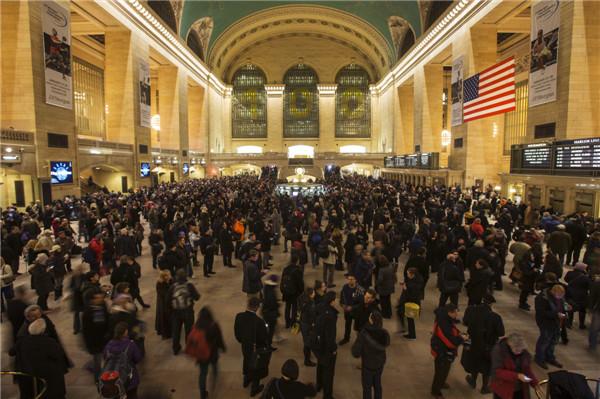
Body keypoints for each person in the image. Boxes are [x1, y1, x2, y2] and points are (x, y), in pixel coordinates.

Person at [15, 318, 69, 399]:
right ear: (43, 330)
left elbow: (11, 351)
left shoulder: (24, 341)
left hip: (33, 374)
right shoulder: (48, 342)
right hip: (49, 375)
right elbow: (59, 353)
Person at [463, 294, 505, 394]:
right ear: (491, 304)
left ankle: (472, 381)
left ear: (482, 300)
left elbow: (465, 322)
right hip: (488, 346)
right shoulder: (495, 317)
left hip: (474, 343)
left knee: (475, 362)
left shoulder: (471, 309)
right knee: (486, 367)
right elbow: (501, 333)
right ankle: (484, 387)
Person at [234, 296, 270, 397]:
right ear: (257, 307)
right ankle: (255, 388)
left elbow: (237, 333)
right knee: (256, 365)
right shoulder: (258, 321)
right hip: (255, 348)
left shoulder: (239, 317)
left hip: (245, 346)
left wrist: (242, 341)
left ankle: (246, 380)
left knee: (246, 360)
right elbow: (264, 337)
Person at [430, 303, 468, 399]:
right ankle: (436, 391)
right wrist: (461, 339)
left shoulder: (446, 317)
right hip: (442, 351)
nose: (457, 315)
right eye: (455, 313)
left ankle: (441, 383)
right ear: (449, 313)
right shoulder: (443, 324)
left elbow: (452, 328)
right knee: (441, 371)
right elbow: (450, 342)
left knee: (442, 369)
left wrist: (458, 333)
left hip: (443, 350)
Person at [351, 311, 390, 399]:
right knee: (378, 385)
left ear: (371, 321)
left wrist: (359, 354)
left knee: (367, 388)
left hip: (368, 365)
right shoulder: (384, 333)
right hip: (380, 364)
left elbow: (355, 351)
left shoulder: (364, 334)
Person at [489, 333, 540, 399]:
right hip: (502, 389)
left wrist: (535, 383)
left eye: (521, 350)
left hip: (519, 389)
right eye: (517, 350)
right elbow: (497, 372)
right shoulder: (498, 351)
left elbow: (527, 370)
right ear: (509, 343)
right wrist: (517, 376)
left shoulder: (523, 353)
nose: (519, 352)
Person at [103, 321, 143, 399]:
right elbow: (138, 357)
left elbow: (105, 359)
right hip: (130, 380)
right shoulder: (130, 345)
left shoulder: (108, 347)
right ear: (126, 332)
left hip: (114, 380)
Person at [534, 284, 569, 369]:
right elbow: (541, 312)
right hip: (547, 324)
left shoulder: (560, 299)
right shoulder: (542, 298)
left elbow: (563, 305)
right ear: (553, 292)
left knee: (553, 342)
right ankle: (539, 358)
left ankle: (550, 357)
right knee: (544, 341)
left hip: (557, 324)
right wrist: (556, 314)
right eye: (559, 295)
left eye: (562, 296)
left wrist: (567, 307)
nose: (560, 297)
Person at [167, 268, 201, 355]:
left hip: (176, 312)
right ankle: (189, 348)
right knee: (189, 330)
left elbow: (167, 301)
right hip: (188, 311)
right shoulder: (189, 285)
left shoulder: (173, 287)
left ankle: (176, 348)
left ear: (177, 277)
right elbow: (197, 297)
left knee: (176, 330)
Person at [194, 307, 226, 399]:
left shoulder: (197, 325)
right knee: (214, 369)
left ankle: (202, 393)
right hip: (212, 352)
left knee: (203, 373)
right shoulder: (214, 325)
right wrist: (223, 348)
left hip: (201, 353)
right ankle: (213, 384)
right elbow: (219, 339)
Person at [82, 290, 110, 382]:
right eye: (97, 298)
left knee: (102, 357)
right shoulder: (87, 312)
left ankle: (90, 365)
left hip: (104, 338)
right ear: (91, 300)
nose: (100, 299)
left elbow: (107, 318)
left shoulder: (102, 305)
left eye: (100, 297)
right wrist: (90, 345)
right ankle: (98, 379)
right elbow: (86, 331)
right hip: (95, 341)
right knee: (97, 360)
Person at [314, 291, 338, 399]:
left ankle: (318, 385)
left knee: (320, 365)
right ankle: (327, 395)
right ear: (332, 302)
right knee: (328, 372)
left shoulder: (320, 307)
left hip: (318, 344)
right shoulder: (330, 317)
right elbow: (330, 337)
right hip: (326, 347)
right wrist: (333, 349)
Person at [397, 267, 424, 339]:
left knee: (409, 318)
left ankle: (411, 334)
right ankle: (410, 333)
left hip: (410, 303)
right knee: (408, 317)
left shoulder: (415, 284)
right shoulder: (416, 280)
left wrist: (405, 288)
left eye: (408, 274)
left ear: (413, 274)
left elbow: (411, 295)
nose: (407, 275)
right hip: (409, 302)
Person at [564, 262, 591, 329]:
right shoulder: (585, 277)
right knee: (582, 310)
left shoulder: (569, 273)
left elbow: (566, 280)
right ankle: (581, 324)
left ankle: (570, 323)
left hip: (570, 294)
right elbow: (589, 287)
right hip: (582, 296)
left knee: (570, 308)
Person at [339, 274, 365, 345]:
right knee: (347, 324)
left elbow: (362, 303)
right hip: (347, 311)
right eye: (348, 279)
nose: (349, 281)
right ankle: (346, 338)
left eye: (351, 279)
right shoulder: (345, 287)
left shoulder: (360, 290)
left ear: (355, 280)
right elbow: (342, 296)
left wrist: (352, 307)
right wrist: (343, 305)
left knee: (358, 327)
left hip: (356, 312)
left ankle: (360, 341)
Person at [281, 254, 305, 328]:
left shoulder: (285, 269)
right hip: (295, 292)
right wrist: (302, 292)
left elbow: (282, 280)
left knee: (287, 306)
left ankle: (287, 322)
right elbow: (300, 283)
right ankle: (293, 322)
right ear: (297, 261)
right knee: (294, 307)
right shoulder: (298, 270)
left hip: (287, 292)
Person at [298, 288, 317, 367]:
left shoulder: (301, 300)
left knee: (306, 340)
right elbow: (312, 317)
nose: (314, 293)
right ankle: (307, 360)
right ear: (310, 295)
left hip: (302, 323)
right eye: (313, 293)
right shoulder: (310, 304)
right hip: (308, 325)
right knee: (308, 343)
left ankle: (307, 356)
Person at [262, 274, 281, 348]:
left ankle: (278, 337)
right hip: (270, 313)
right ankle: (268, 344)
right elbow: (271, 303)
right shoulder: (271, 292)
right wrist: (277, 304)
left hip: (266, 311)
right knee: (271, 328)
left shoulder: (267, 287)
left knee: (272, 325)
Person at [155, 269, 174, 339]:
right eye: (166, 275)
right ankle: (166, 333)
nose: (168, 277)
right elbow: (162, 294)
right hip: (164, 304)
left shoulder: (172, 281)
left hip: (171, 303)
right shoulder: (160, 284)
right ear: (163, 276)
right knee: (165, 319)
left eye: (169, 275)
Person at [589, 275, 600, 352]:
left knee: (595, 327)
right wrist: (591, 309)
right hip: (598, 309)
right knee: (594, 328)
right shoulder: (597, 284)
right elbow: (592, 297)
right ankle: (592, 344)